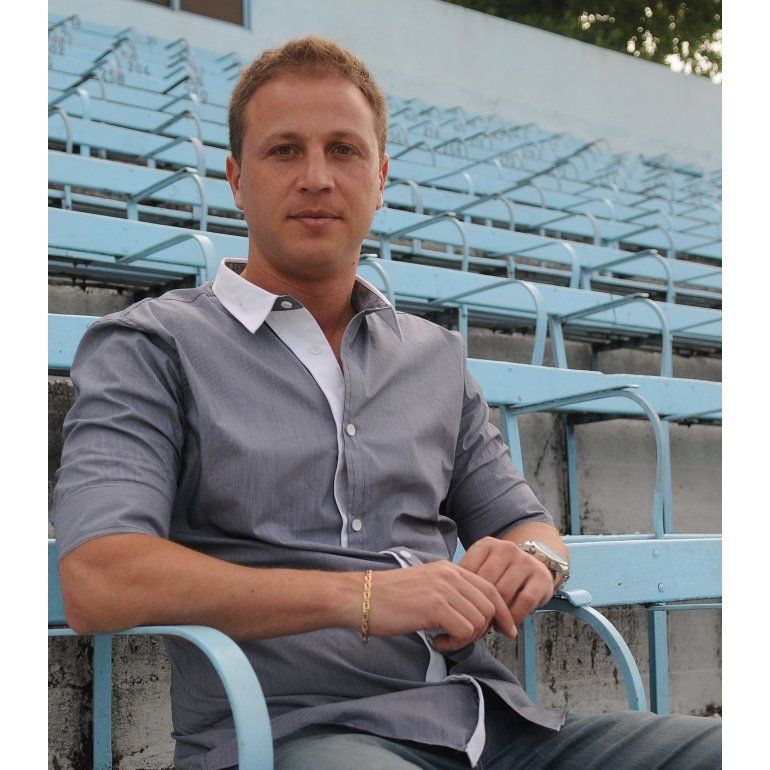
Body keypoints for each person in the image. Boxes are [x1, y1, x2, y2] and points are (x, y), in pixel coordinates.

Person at [53, 36, 721, 770]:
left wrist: (533, 560)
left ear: (379, 179)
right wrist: (364, 597)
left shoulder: (434, 356)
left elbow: (526, 526)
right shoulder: (152, 345)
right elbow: (99, 578)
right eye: (284, 151)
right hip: (296, 738)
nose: (316, 178)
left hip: (491, 726)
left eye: (344, 150)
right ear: (237, 179)